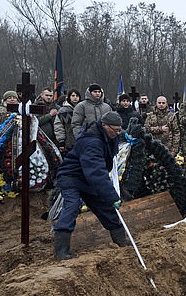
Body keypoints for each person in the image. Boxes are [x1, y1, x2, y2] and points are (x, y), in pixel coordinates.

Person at [52, 111, 129, 260]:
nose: (117, 133)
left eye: (120, 130)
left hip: (87, 179)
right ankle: (61, 250)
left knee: (105, 207)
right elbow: (96, 172)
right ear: (104, 125)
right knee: (72, 206)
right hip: (71, 177)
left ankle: (121, 240)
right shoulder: (91, 142)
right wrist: (112, 196)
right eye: (115, 130)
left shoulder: (108, 136)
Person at [54, 89, 81, 154]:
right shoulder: (63, 111)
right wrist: (61, 142)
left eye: (77, 96)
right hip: (69, 143)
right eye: (73, 95)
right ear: (69, 97)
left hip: (82, 142)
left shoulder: (83, 109)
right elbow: (59, 127)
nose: (75, 97)